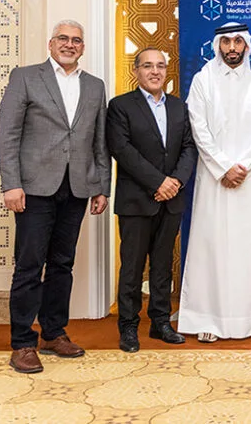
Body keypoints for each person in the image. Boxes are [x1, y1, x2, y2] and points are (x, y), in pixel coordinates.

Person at [0, 20, 110, 374]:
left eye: (76, 40)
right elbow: (8, 134)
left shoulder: (94, 86)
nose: (69, 44)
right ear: (51, 43)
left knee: (62, 264)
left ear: (83, 47)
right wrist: (10, 184)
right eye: (63, 38)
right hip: (33, 188)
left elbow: (100, 142)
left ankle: (53, 333)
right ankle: (22, 342)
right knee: (29, 265)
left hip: (76, 188)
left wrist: (101, 186)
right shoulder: (26, 77)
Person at [178, 23, 251, 342]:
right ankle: (207, 317)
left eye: (238, 41)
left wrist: (243, 166)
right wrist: (224, 167)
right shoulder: (203, 81)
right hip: (214, 178)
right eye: (226, 42)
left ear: (246, 45)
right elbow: (198, 128)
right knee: (212, 245)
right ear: (218, 46)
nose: (232, 47)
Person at [107, 47, 197, 352]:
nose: (155, 71)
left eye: (160, 66)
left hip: (171, 200)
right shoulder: (120, 106)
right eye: (147, 66)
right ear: (136, 71)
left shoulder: (179, 106)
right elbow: (122, 150)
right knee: (132, 268)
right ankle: (129, 327)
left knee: (162, 265)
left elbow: (189, 148)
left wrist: (176, 182)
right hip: (136, 200)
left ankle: (160, 323)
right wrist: (158, 182)